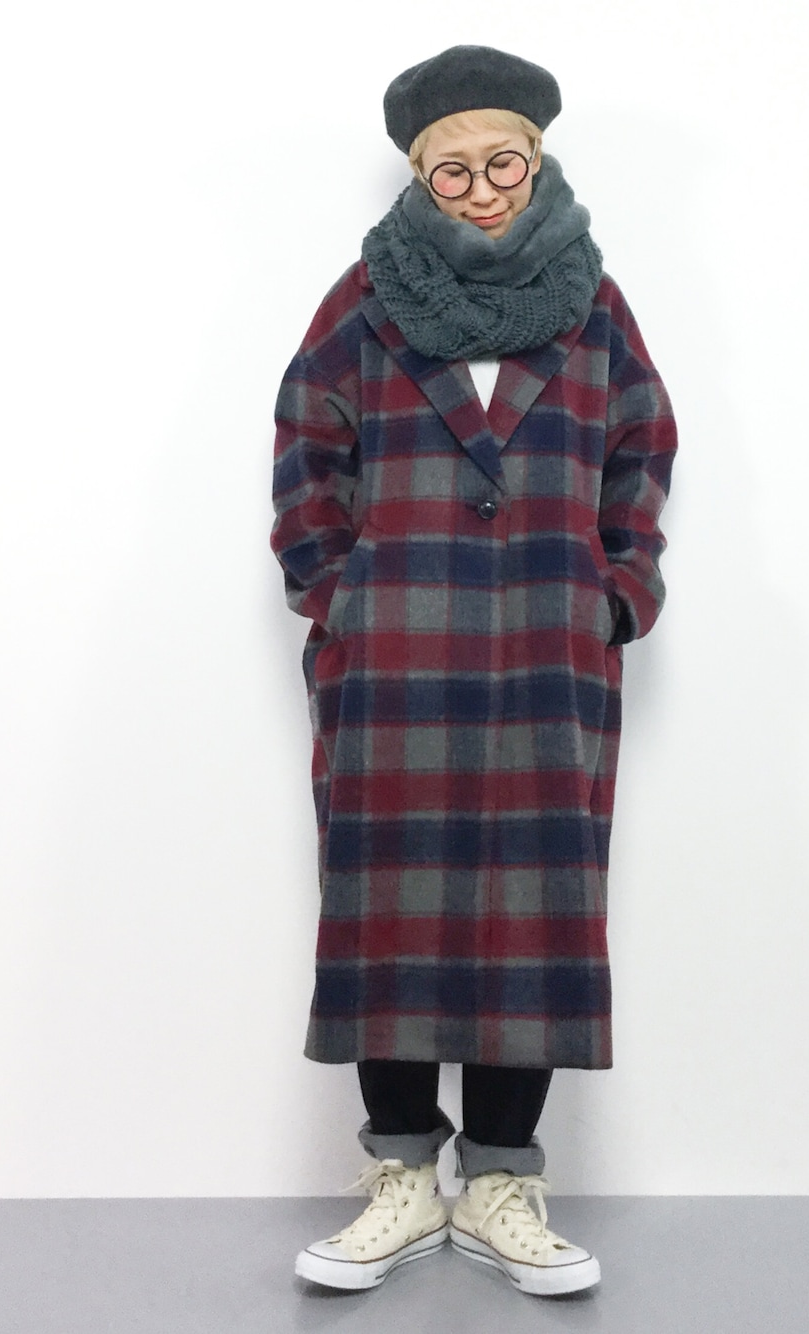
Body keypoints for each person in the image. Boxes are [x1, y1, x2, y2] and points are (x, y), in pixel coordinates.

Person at [271, 45, 676, 1296]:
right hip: (394, 649)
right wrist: (335, 596)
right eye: (454, 171)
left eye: (505, 163)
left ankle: (500, 1180)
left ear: (537, 159)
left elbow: (641, 449)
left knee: (533, 907)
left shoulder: (594, 302)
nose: (484, 190)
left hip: (550, 648)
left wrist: (619, 590)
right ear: (417, 173)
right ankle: (401, 1176)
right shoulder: (363, 302)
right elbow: (305, 453)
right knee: (384, 898)